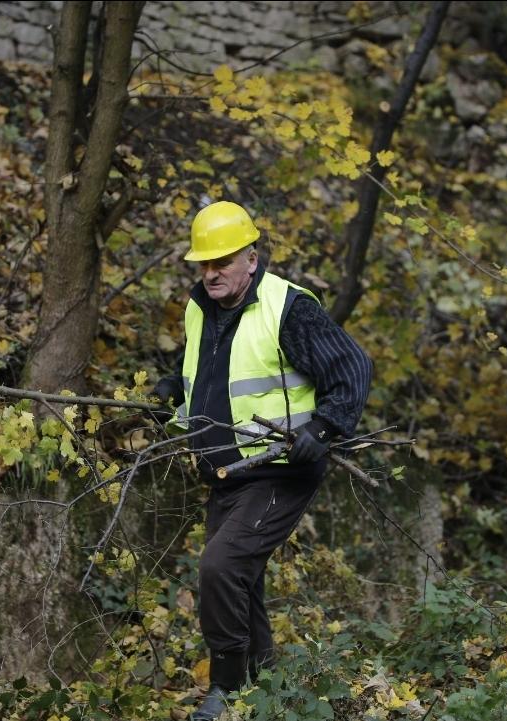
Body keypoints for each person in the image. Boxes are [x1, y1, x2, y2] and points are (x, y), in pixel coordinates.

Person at [153, 200, 372, 721]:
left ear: (251, 258)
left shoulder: (288, 308)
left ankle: (225, 690)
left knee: (221, 566)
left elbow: (353, 367)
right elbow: (201, 372)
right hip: (225, 472)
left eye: (222, 262)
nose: (211, 273)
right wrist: (170, 389)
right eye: (204, 264)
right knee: (241, 581)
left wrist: (324, 428)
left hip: (280, 470)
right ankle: (264, 684)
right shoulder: (199, 307)